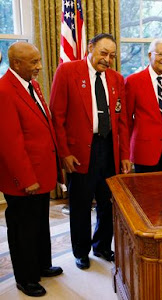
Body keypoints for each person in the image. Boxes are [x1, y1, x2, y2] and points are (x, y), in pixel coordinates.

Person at [50, 33, 130, 270]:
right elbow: (57, 117)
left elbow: (122, 120)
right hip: (80, 151)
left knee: (108, 202)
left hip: (109, 149)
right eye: (104, 53)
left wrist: (125, 154)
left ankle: (103, 246)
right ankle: (81, 251)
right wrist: (64, 153)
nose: (107, 59)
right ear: (90, 47)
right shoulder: (67, 72)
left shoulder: (116, 78)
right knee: (81, 204)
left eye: (112, 56)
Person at [0, 42, 63, 297]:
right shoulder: (4, 90)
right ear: (16, 64)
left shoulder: (32, 84)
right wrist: (27, 178)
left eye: (39, 60)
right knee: (22, 230)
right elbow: (9, 142)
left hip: (41, 172)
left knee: (39, 224)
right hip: (23, 179)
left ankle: (41, 265)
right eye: (34, 62)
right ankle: (25, 279)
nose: (39, 66)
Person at [125, 39, 162, 173]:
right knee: (145, 192)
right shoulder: (133, 81)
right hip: (144, 150)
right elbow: (127, 119)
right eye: (161, 54)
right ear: (150, 55)